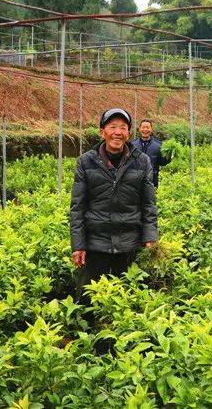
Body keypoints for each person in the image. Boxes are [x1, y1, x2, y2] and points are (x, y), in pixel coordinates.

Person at [69, 108, 158, 303]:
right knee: (86, 303)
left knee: (126, 301)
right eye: (112, 127)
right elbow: (77, 207)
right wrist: (78, 244)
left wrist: (150, 235)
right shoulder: (86, 162)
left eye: (123, 128)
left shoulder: (142, 162)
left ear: (128, 134)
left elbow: (149, 204)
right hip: (95, 244)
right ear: (102, 132)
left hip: (129, 243)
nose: (118, 132)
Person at [130, 119, 169, 187]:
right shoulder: (132, 145)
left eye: (147, 127)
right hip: (135, 182)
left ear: (151, 129)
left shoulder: (158, 145)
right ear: (139, 129)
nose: (145, 129)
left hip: (152, 182)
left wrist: (168, 157)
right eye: (143, 127)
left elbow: (162, 162)